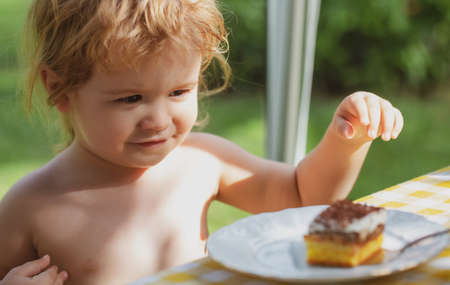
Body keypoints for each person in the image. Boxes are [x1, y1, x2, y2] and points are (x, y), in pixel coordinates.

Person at [0, 0, 404, 284]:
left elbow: (302, 195)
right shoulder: (31, 206)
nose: (158, 120)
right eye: (130, 99)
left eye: (178, 92)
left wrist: (346, 140)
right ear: (61, 90)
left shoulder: (202, 161)